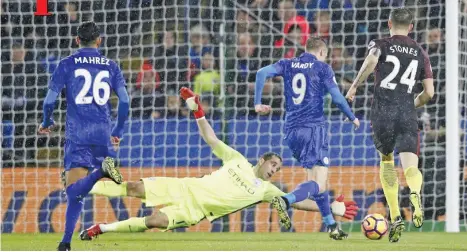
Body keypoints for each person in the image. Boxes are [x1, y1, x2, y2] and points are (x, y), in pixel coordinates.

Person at [79, 87, 358, 239]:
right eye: (273, 165)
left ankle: (101, 229)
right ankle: (82, 187)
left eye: (278, 169)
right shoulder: (236, 160)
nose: (275, 170)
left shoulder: (265, 190)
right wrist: (198, 112)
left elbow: (297, 202)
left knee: (154, 221)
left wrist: (332, 206)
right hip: (185, 187)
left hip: (194, 210)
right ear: (261, 160)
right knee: (134, 187)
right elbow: (211, 139)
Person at [253, 36, 359, 240]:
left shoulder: (288, 63)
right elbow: (337, 98)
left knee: (316, 183)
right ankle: (286, 200)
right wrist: (352, 117)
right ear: (322, 53)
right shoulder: (322, 68)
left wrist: (258, 103)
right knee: (318, 184)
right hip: (313, 129)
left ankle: (331, 225)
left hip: (291, 131)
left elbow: (261, 73)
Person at [38, 21, 130, 251]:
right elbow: (125, 101)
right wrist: (117, 131)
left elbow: (49, 101)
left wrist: (47, 122)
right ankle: (65, 244)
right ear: (99, 40)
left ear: (76, 40)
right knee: (78, 190)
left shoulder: (67, 64)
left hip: (78, 134)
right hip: (102, 133)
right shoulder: (111, 65)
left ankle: (67, 241)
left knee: (73, 193)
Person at [345, 7, 434, 243]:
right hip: (406, 112)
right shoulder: (420, 51)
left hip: (383, 112)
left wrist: (354, 86)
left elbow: (372, 60)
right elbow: (429, 93)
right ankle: (414, 193)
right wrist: (411, 106)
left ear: (389, 23)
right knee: (411, 167)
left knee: (387, 163)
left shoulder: (381, 44)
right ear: (411, 27)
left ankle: (395, 216)